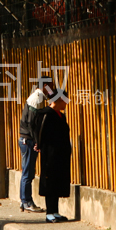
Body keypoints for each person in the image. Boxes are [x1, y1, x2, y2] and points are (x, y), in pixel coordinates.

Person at [36, 93, 72, 222]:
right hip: (49, 153)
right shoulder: (45, 114)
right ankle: (49, 212)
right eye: (65, 100)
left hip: (60, 153)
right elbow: (39, 132)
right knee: (50, 181)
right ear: (58, 100)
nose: (66, 104)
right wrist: (38, 144)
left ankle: (56, 211)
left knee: (58, 181)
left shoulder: (61, 116)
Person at [17, 81, 52, 213]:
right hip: (28, 140)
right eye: (50, 86)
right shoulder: (37, 97)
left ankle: (24, 201)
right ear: (44, 86)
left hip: (27, 139)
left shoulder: (37, 97)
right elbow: (32, 123)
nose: (52, 89)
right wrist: (37, 141)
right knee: (28, 172)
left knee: (27, 171)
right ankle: (26, 201)